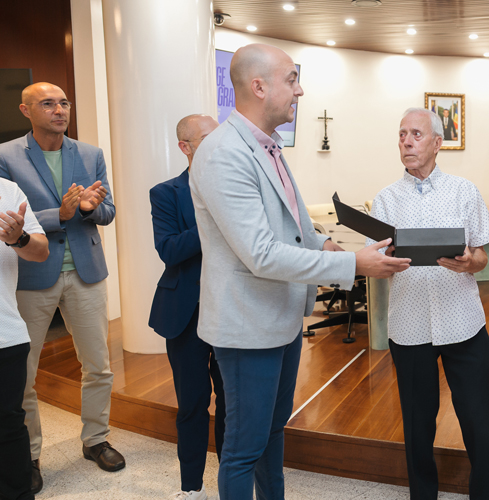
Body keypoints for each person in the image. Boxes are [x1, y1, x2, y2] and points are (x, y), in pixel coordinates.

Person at [189, 43, 410, 500]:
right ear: (258, 86)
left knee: (272, 434)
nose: (300, 90)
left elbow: (294, 227)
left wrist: (328, 245)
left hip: (281, 319)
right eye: (292, 80)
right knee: (243, 449)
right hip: (247, 326)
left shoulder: (267, 146)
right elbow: (261, 254)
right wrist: (353, 263)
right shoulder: (223, 153)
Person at [367, 108, 489, 500]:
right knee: (417, 425)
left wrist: (469, 262)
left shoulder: (464, 191)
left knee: (477, 420)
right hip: (409, 328)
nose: (407, 141)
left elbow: (482, 257)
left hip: (463, 323)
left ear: (438, 143)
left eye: (416, 134)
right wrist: (383, 264)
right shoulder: (385, 200)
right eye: (402, 134)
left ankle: (484, 494)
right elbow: (375, 266)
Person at [0, 82, 121, 494]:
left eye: (64, 103)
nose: (59, 110)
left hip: (86, 272)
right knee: (24, 374)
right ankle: (30, 454)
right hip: (31, 274)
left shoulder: (89, 153)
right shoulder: (7, 156)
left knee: (98, 364)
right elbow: (10, 218)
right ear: (26, 110)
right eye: (48, 103)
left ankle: (96, 439)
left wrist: (88, 208)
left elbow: (108, 211)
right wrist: (62, 213)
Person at [149, 114, 222, 500]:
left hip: (231, 309)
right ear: (185, 147)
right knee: (192, 404)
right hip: (185, 314)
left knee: (231, 403)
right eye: (208, 138)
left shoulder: (238, 185)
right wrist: (211, 221)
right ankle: (191, 487)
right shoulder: (165, 193)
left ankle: (231, 482)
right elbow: (169, 249)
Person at [0, 179, 48, 500]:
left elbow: (41, 251)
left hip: (5, 334)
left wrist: (18, 238)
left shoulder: (8, 190)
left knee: (9, 426)